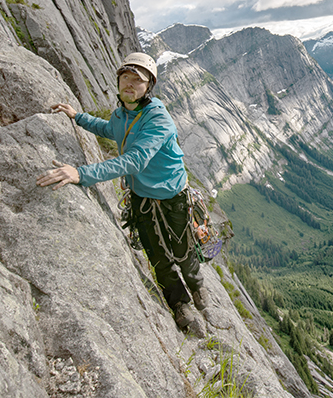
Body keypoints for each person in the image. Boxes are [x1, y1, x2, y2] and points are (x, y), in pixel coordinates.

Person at [36, 52, 208, 335]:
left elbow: (135, 160)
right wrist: (77, 117)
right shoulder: (122, 115)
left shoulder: (158, 119)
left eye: (137, 80)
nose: (129, 84)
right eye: (124, 78)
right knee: (157, 254)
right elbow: (109, 129)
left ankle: (196, 285)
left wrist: (82, 174)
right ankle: (180, 305)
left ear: (148, 86)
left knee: (182, 249)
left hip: (173, 195)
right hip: (142, 195)